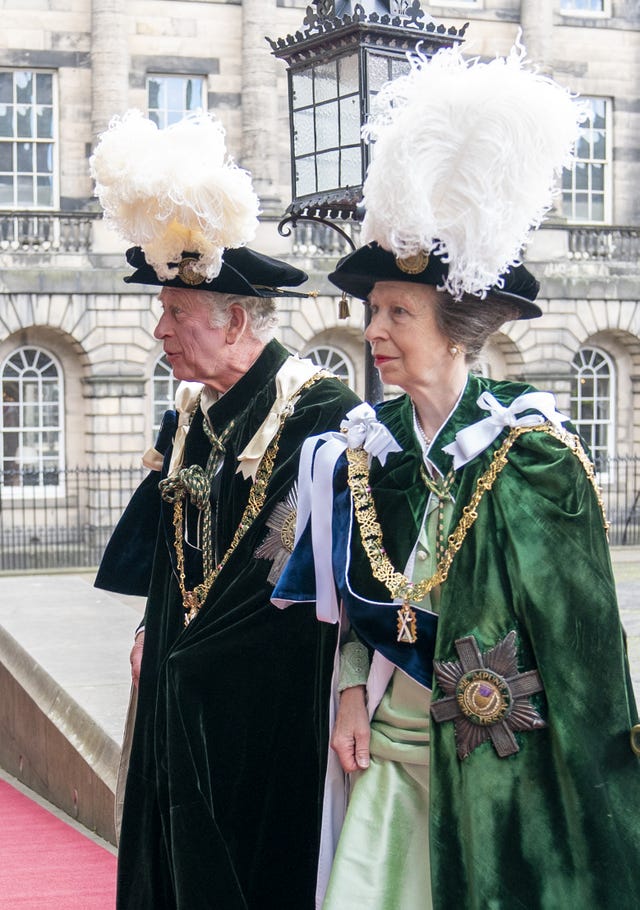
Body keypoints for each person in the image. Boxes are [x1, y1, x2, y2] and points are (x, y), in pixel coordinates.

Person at [273, 43, 640, 909]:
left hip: (498, 770)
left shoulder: (532, 453)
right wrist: (350, 696)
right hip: (391, 761)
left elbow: (586, 655)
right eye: (373, 313)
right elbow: (361, 609)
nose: (376, 330)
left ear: (455, 327)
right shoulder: (369, 450)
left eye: (399, 311)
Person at [90, 111, 360, 909]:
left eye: (176, 312)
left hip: (266, 696)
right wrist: (151, 628)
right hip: (182, 680)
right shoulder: (190, 412)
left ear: (235, 320)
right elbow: (174, 551)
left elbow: (300, 569)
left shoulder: (319, 414)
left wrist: (194, 661)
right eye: (164, 310)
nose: (160, 329)